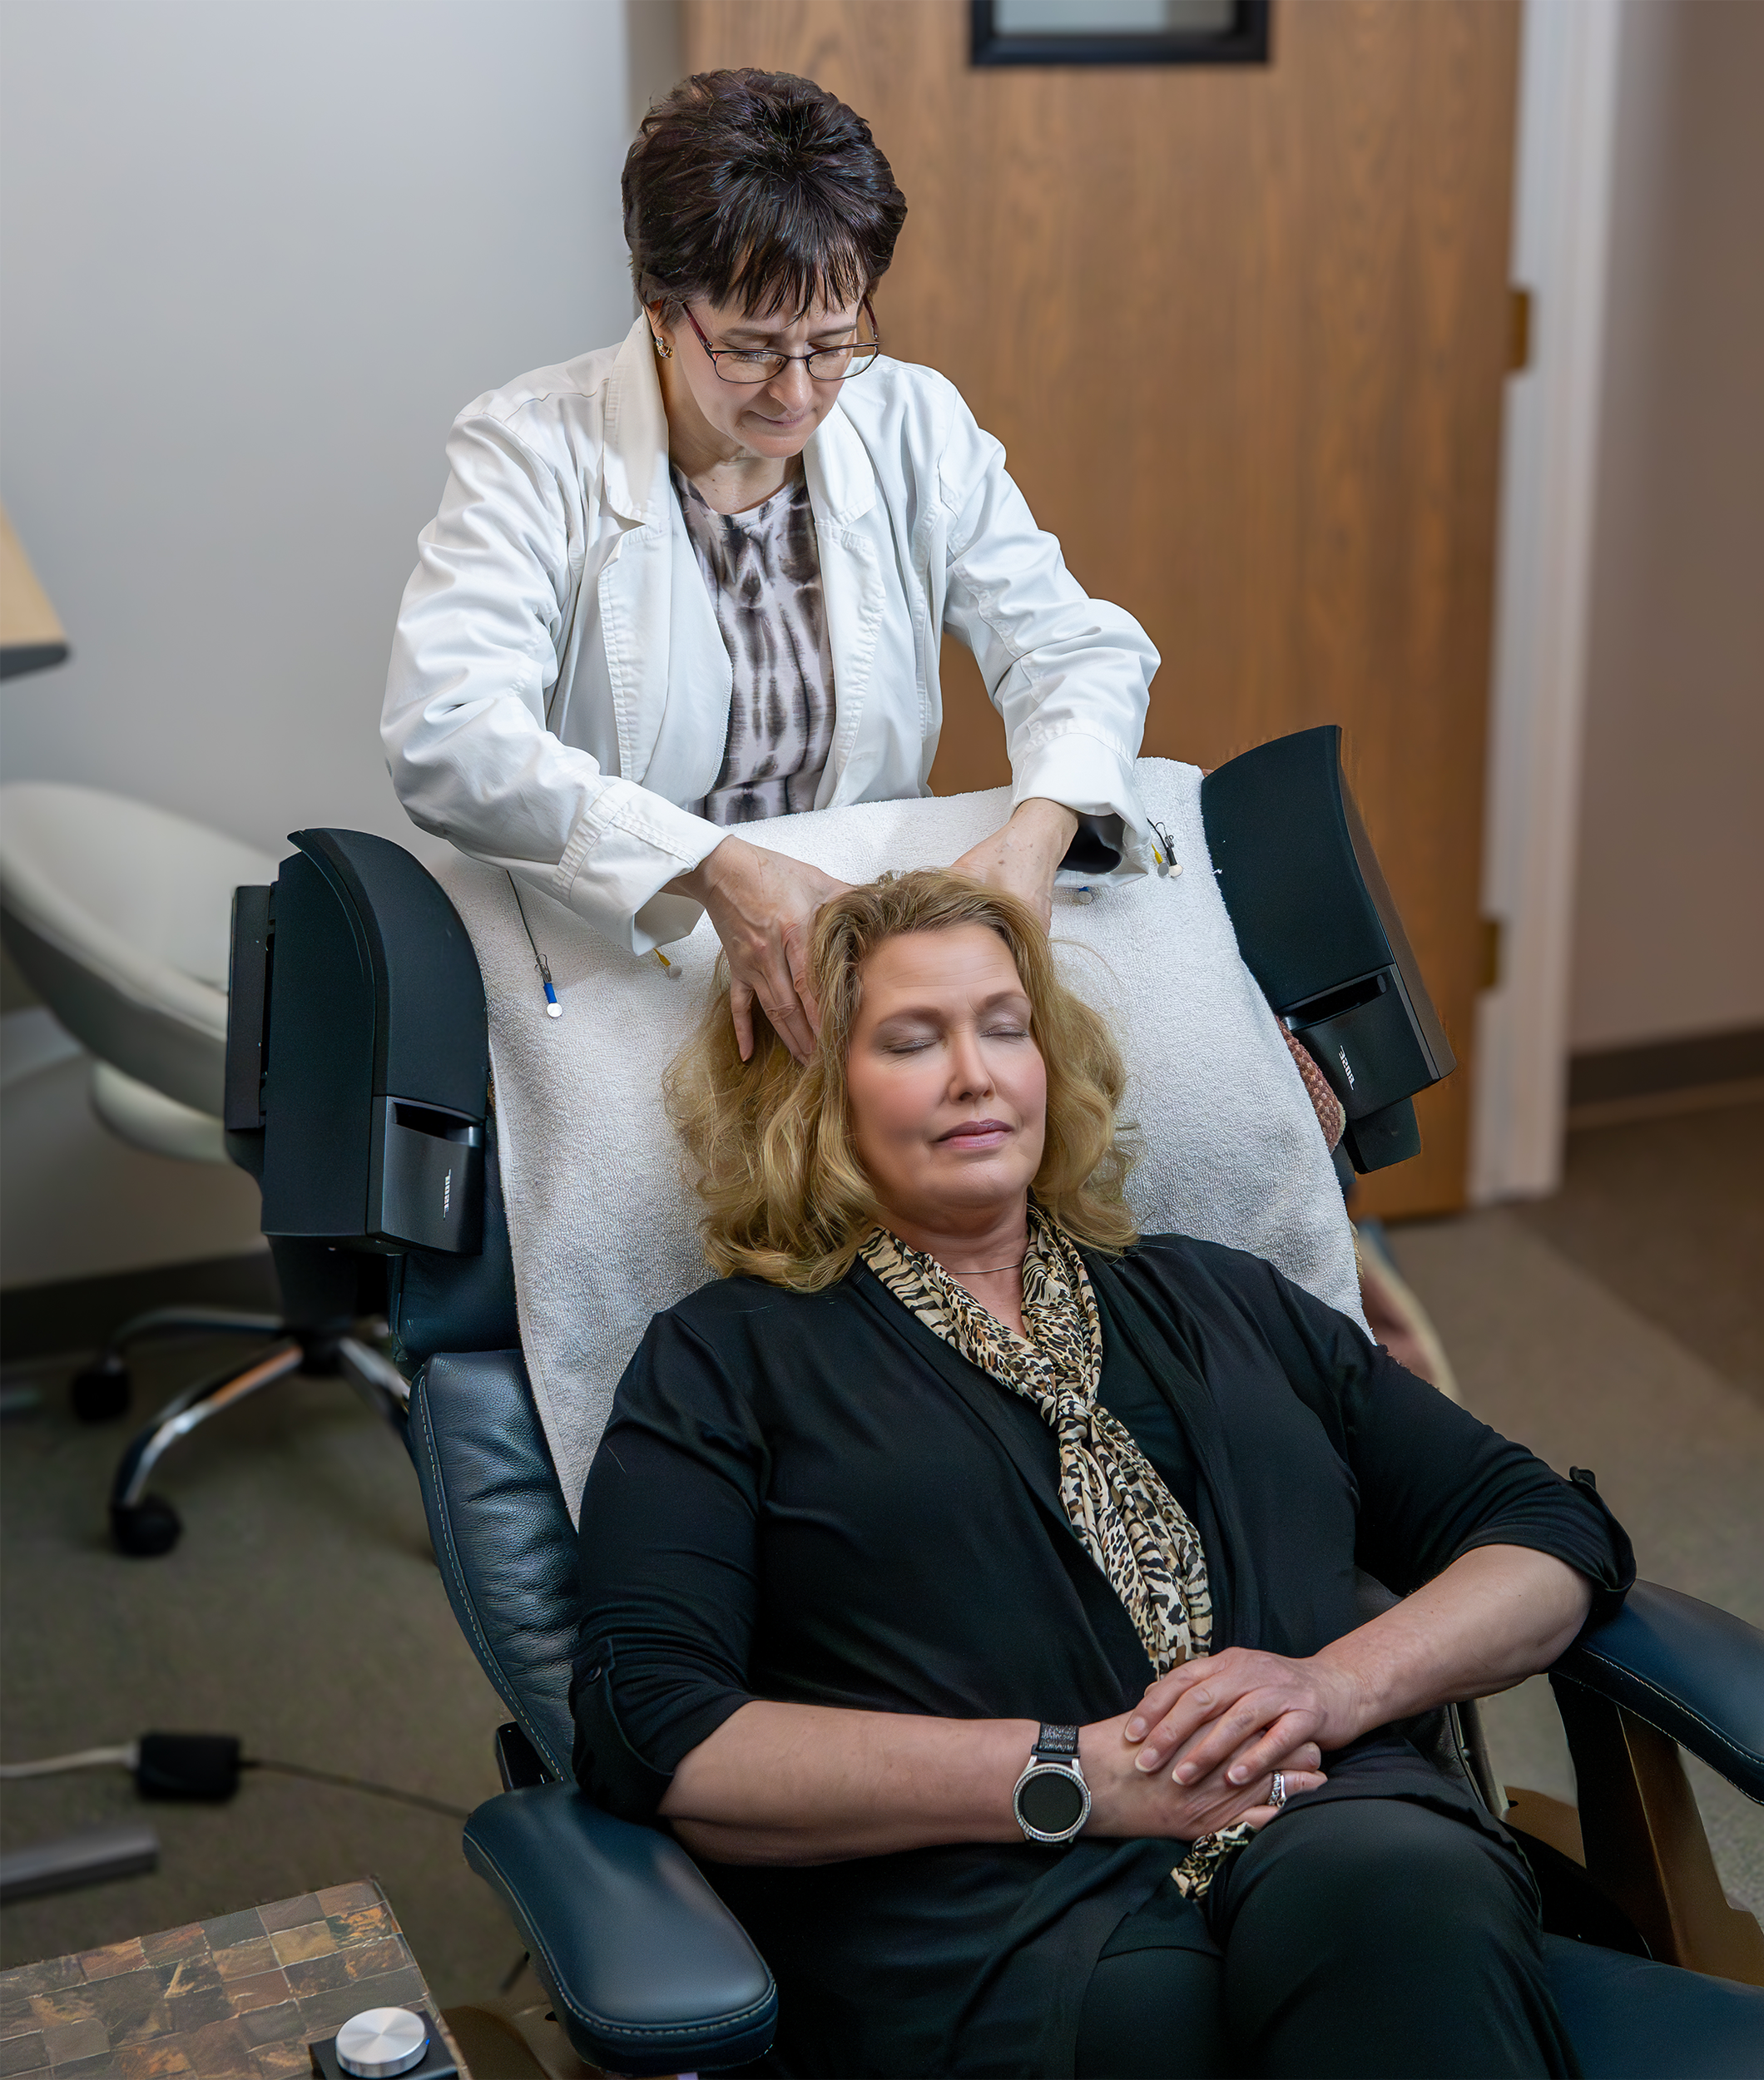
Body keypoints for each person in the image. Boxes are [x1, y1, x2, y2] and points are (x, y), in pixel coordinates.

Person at [572, 869, 1635, 2078]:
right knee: (1153, 2028)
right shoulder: (726, 1361)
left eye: (1005, 1028)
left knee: (1399, 1891)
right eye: (913, 1040)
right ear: (815, 1093)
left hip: (1327, 1823)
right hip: (991, 1907)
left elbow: (1543, 1528)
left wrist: (1334, 1689)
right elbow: (658, 1734)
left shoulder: (1219, 1296)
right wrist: (1073, 1777)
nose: (976, 1073)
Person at [382, 71, 1159, 1065]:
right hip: (640, 944)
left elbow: (1071, 648)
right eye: (751, 350)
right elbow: (448, 735)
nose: (798, 395)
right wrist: (714, 869)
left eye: (833, 343)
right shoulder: (533, 449)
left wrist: (1035, 839)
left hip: (859, 944)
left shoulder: (912, 423)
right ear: (661, 309)